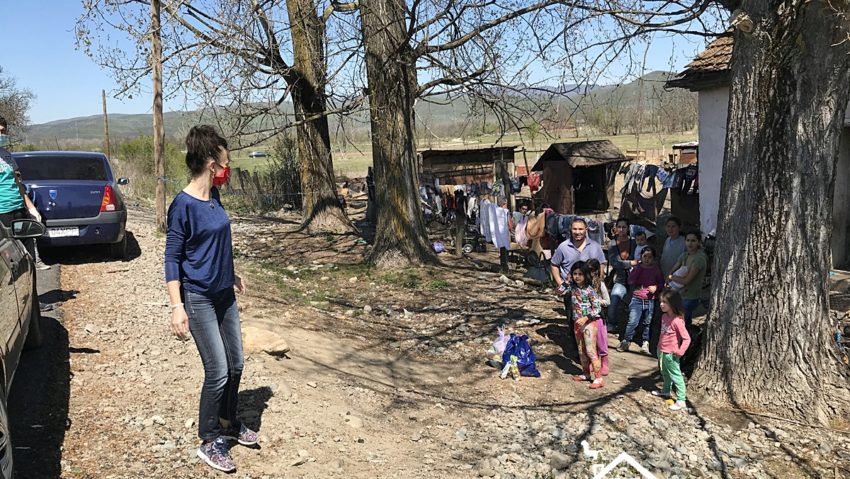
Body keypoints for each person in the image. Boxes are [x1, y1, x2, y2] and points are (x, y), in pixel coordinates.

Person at [165, 125, 258, 473]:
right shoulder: (183, 206)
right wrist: (177, 307)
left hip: (223, 295)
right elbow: (172, 258)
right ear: (209, 163)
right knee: (217, 371)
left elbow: (217, 244)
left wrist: (230, 275)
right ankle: (209, 440)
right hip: (199, 298)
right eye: (224, 161)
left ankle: (228, 424)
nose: (227, 167)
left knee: (236, 364)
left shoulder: (214, 198)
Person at [552, 217, 606, 324]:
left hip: (589, 290)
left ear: (586, 229)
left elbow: (602, 264)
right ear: (570, 230)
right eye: (575, 229)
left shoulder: (595, 246)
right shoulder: (563, 247)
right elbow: (554, 264)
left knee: (591, 318)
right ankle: (574, 339)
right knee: (572, 320)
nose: (577, 232)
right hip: (571, 290)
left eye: (580, 229)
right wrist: (561, 283)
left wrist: (598, 282)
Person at [0, 117, 41, 257]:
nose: (1, 135)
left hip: (19, 208)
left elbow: (17, 183)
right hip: (3, 212)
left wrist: (30, 207)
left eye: (3, 131)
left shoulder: (6, 155)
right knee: (10, 255)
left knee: (27, 254)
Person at [563, 261, 605, 388]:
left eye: (580, 274)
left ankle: (598, 377)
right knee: (581, 350)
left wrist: (587, 317)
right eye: (574, 273)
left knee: (591, 350)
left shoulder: (590, 290)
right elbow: (559, 291)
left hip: (589, 324)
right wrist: (566, 282)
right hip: (576, 323)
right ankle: (586, 373)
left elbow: (597, 308)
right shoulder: (572, 287)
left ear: (585, 275)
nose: (577, 276)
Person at [618, 247, 665, 354]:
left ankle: (645, 342)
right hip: (637, 299)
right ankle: (626, 339)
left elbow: (662, 283)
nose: (647, 259)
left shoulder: (656, 270)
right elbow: (630, 280)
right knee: (632, 321)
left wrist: (656, 288)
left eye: (650, 257)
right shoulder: (638, 269)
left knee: (647, 322)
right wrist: (638, 269)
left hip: (650, 300)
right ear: (641, 257)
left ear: (653, 258)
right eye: (645, 257)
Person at [652, 289, 691, 411]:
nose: (661, 304)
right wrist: (659, 347)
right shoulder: (664, 317)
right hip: (662, 351)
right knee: (664, 372)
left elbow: (687, 338)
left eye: (665, 302)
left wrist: (680, 352)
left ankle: (681, 400)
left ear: (673, 304)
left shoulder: (678, 321)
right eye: (661, 302)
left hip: (672, 354)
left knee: (676, 376)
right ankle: (665, 391)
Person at [667, 232, 708, 328]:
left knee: (682, 323)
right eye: (688, 240)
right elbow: (673, 269)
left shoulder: (699, 258)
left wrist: (671, 278)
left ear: (698, 242)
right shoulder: (685, 255)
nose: (690, 243)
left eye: (693, 241)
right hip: (680, 293)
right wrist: (669, 277)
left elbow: (686, 280)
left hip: (691, 296)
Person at [606, 218, 636, 333]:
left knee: (636, 305)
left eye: (624, 227)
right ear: (616, 228)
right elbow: (615, 263)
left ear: (628, 228)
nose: (622, 230)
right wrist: (630, 263)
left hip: (636, 279)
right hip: (620, 279)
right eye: (620, 227)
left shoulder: (634, 242)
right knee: (614, 299)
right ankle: (612, 323)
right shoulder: (613, 244)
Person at [586, 258, 609, 376]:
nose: (588, 273)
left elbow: (607, 301)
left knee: (601, 340)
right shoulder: (583, 285)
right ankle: (592, 361)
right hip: (587, 317)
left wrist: (597, 301)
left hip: (598, 317)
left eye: (590, 270)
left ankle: (604, 362)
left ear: (595, 271)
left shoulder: (601, 284)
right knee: (590, 341)